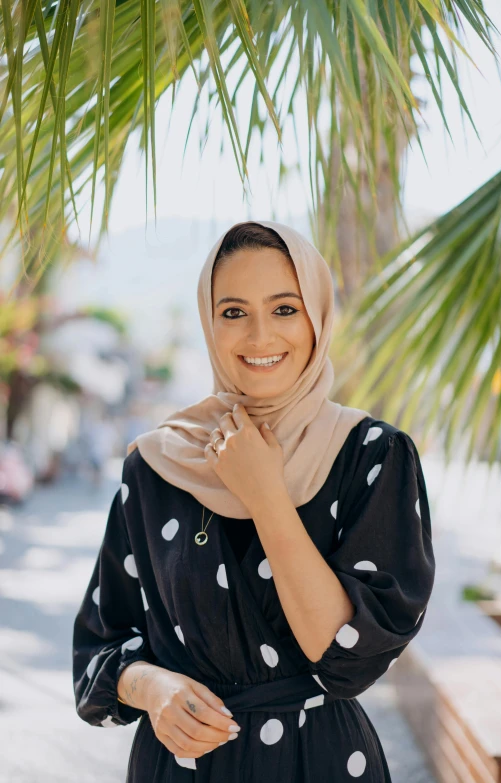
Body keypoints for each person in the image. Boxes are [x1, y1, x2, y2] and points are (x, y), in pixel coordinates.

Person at [72, 220, 436, 782]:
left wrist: (264, 492)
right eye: (234, 312)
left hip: (317, 764)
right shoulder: (154, 466)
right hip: (180, 766)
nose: (260, 336)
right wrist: (152, 687)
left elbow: (349, 658)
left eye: (285, 308)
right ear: (209, 325)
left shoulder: (373, 456)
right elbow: (98, 648)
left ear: (317, 317)